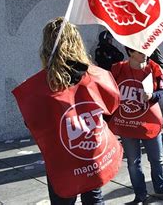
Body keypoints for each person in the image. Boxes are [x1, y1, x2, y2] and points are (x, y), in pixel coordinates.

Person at [13, 18, 123, 204]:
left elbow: (34, 124)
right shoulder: (95, 76)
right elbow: (111, 107)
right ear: (77, 43)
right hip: (91, 154)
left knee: (63, 199)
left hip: (62, 159)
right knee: (94, 198)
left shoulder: (39, 87)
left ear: (47, 47)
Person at [111, 47, 163, 203]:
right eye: (141, 52)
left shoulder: (153, 68)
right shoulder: (118, 69)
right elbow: (108, 91)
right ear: (130, 52)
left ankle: (161, 187)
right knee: (133, 162)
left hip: (150, 123)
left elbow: (162, 91)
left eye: (146, 51)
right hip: (127, 123)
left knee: (157, 159)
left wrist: (152, 95)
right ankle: (140, 195)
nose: (146, 55)